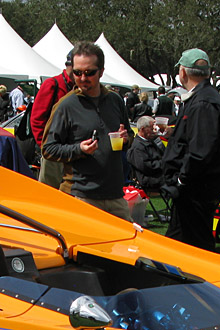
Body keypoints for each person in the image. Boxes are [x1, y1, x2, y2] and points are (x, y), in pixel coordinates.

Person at [41, 40, 131, 221]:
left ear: (101, 72)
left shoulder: (115, 101)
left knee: (127, 247)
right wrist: (78, 149)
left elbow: (129, 136)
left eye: (89, 73)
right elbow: (48, 148)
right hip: (81, 195)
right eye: (77, 72)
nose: (83, 78)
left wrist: (127, 139)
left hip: (115, 195)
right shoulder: (65, 105)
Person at [161, 47, 220, 250]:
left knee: (195, 245)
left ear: (183, 72)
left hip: (195, 191)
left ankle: (201, 281)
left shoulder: (203, 103)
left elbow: (200, 151)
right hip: (195, 190)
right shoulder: (203, 99)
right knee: (177, 242)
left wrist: (181, 179)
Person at [30, 51, 73, 188]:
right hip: (53, 151)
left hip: (73, 151)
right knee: (49, 192)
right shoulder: (52, 84)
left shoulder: (80, 87)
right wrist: (46, 146)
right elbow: (37, 119)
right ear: (69, 66)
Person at [126, 115, 164, 189]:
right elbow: (147, 167)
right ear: (143, 129)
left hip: (158, 174)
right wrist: (164, 164)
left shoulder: (150, 141)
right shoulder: (137, 147)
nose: (155, 130)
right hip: (149, 179)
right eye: (151, 128)